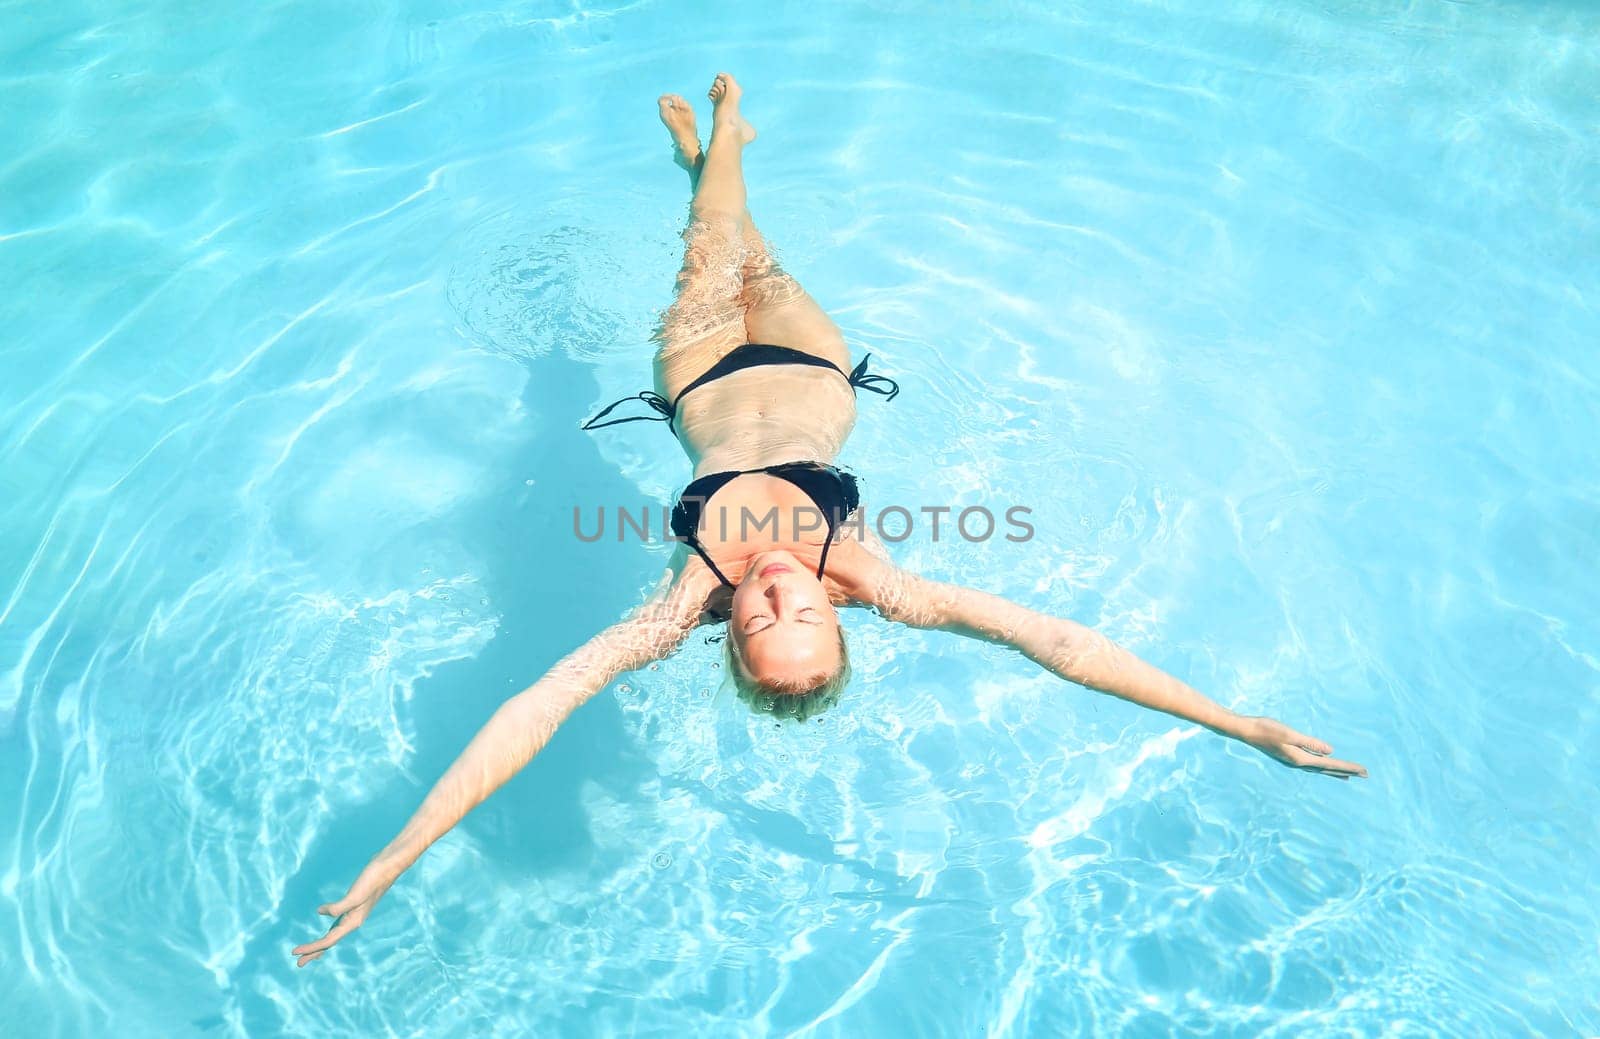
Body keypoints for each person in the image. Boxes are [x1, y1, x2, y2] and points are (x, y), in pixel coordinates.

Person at [292, 73, 1366, 968]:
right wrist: (1237, 724)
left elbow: (537, 709)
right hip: (813, 371)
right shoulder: (879, 577)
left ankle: (719, 150)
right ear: (839, 613)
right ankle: (717, 155)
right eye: (799, 613)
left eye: (759, 625)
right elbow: (1062, 646)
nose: (771, 591)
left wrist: (398, 854)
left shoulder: (678, 608)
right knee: (754, 253)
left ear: (734, 641)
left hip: (697, 372)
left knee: (711, 247)